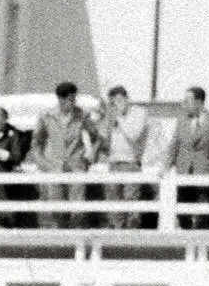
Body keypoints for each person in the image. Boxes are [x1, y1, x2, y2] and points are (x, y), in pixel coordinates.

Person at [31, 82, 95, 229]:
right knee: (56, 204)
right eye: (69, 100)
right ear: (60, 99)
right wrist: (42, 163)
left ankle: (76, 236)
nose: (72, 103)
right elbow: (36, 142)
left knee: (77, 205)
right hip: (54, 165)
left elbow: (95, 137)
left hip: (76, 164)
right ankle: (59, 238)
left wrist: (89, 157)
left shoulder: (82, 115)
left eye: (74, 99)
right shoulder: (46, 116)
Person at [164, 86, 209, 229]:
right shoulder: (182, 121)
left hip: (204, 171)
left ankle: (203, 238)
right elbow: (174, 145)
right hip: (184, 171)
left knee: (204, 211)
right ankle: (186, 238)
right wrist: (166, 166)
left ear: (199, 102)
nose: (184, 104)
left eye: (188, 100)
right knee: (182, 209)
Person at [99, 86, 148, 229]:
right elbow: (104, 138)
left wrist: (119, 118)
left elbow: (134, 135)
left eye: (120, 100)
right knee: (113, 197)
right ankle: (116, 228)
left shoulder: (139, 113)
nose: (117, 104)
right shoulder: (112, 115)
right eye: (114, 101)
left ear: (127, 98)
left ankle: (132, 229)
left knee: (130, 197)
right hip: (114, 162)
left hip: (131, 162)